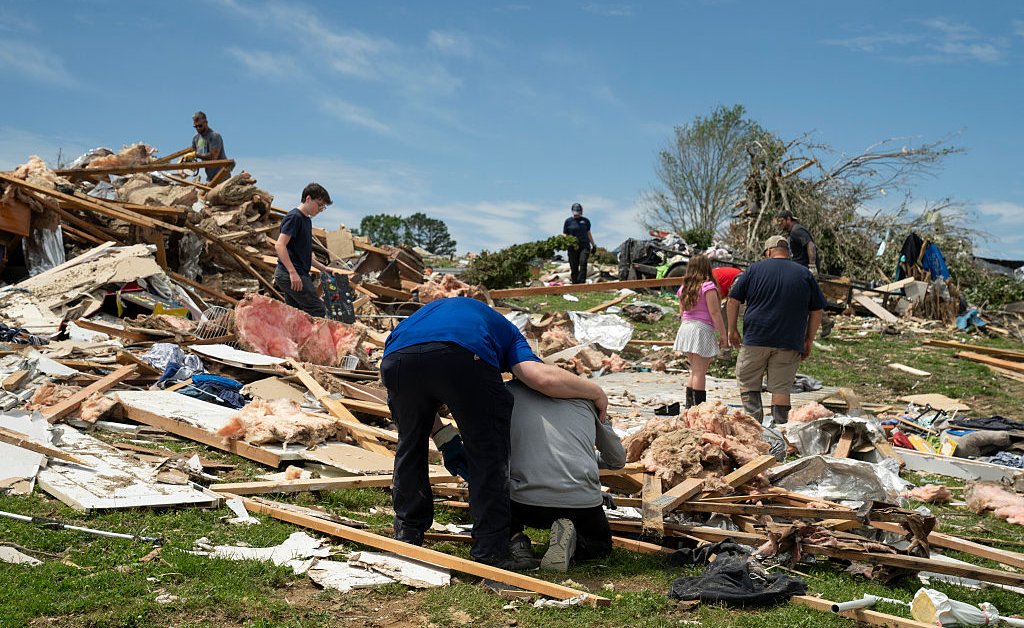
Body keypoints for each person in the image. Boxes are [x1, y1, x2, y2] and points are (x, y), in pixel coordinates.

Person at [380, 297, 609, 571]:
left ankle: (408, 531)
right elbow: (540, 378)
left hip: (396, 358)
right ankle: (491, 548)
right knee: (488, 453)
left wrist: (445, 439)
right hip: (464, 354)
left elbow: (421, 391)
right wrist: (596, 392)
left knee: (409, 445)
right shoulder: (511, 334)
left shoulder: (429, 317)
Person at [505, 380, 625, 572]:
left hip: (526, 504)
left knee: (492, 486)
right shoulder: (587, 396)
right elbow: (617, 460)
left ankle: (515, 541)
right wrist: (581, 453)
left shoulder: (505, 393)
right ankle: (578, 545)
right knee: (600, 547)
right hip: (581, 505)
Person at [726, 236, 826, 425]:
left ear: (769, 251)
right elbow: (817, 310)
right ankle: (781, 430)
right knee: (781, 388)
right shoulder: (804, 274)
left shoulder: (754, 270)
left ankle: (754, 426)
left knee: (748, 381)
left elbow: (733, 300)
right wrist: (808, 340)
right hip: (789, 341)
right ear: (787, 252)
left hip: (756, 337)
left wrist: (732, 330)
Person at [673, 255, 728, 408]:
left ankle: (689, 407)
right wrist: (723, 334)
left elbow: (682, 312)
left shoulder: (683, 288)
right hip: (701, 329)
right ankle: (698, 410)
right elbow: (715, 313)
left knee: (694, 370)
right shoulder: (707, 287)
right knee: (699, 372)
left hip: (686, 328)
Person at [273, 183, 334, 317]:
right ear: (308, 199)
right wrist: (292, 273)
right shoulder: (294, 217)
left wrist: (322, 268)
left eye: (323, 207)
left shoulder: (306, 220)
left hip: (295, 273)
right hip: (291, 274)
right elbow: (280, 245)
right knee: (318, 311)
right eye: (319, 204)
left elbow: (303, 254)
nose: (320, 209)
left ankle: (295, 338)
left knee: (296, 315)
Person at [190, 112, 229, 182]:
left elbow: (213, 157)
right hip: (210, 177)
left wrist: (195, 155)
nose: (198, 128)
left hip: (222, 176)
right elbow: (193, 154)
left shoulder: (214, 136)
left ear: (206, 123)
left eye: (200, 126)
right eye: (196, 126)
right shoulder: (196, 138)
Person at [563, 202, 596, 284]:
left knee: (583, 262)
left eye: (578, 212)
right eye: (575, 212)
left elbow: (588, 233)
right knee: (573, 265)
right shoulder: (568, 221)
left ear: (581, 212)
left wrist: (593, 245)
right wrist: (563, 242)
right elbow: (565, 234)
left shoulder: (585, 221)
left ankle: (582, 282)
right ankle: (575, 283)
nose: (576, 214)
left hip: (584, 246)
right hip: (572, 247)